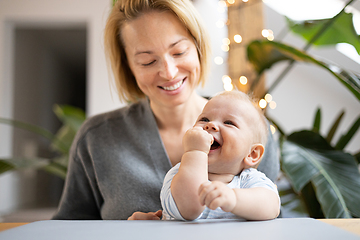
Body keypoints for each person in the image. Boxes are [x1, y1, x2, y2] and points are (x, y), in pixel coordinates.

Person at [52, 0, 279, 221]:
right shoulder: (96, 137)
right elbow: (71, 228)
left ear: (198, 48)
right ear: (128, 67)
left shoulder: (251, 131)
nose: (169, 73)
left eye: (179, 52)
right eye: (148, 61)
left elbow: (272, 218)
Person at [160, 91, 280, 220]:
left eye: (229, 122)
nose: (210, 125)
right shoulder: (180, 174)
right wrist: (195, 152)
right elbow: (189, 208)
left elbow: (272, 206)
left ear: (252, 154)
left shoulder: (249, 180)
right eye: (204, 119)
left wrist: (234, 198)